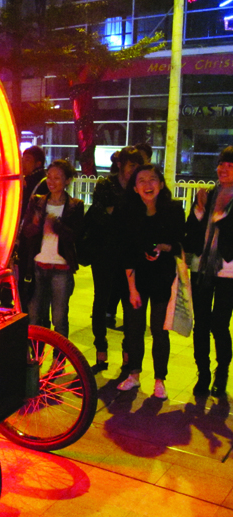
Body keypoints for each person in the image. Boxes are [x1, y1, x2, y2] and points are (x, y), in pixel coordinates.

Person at [117, 164, 185, 400]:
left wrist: (163, 247)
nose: (148, 185)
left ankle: (160, 380)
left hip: (162, 280)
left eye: (153, 179)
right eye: (142, 181)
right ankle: (134, 374)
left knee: (159, 330)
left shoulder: (173, 210)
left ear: (161, 184)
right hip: (136, 280)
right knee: (134, 328)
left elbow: (180, 244)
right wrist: (132, 289)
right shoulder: (129, 213)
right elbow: (126, 252)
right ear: (135, 188)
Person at [85, 147, 143, 373]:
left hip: (129, 255)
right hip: (104, 254)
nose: (134, 170)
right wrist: (118, 214)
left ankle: (128, 355)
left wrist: (115, 212)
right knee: (101, 301)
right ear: (120, 165)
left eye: (137, 166)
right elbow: (99, 215)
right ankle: (101, 351)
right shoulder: (105, 184)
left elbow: (137, 219)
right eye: (131, 165)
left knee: (130, 305)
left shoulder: (139, 187)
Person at [184, 146, 233, 398]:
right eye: (221, 164)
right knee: (201, 324)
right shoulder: (208, 194)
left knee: (219, 324)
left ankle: (221, 371)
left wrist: (218, 216)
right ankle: (203, 373)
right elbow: (191, 231)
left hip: (228, 271)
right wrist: (199, 210)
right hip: (201, 268)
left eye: (230, 166)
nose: (223, 169)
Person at [20, 159, 84, 338]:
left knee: (59, 318)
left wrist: (56, 225)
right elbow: (26, 232)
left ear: (67, 180)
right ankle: (36, 352)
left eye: (57, 178)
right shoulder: (37, 202)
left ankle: (60, 353)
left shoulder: (75, 205)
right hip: (37, 267)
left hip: (61, 269)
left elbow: (75, 236)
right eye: (49, 177)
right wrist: (37, 224)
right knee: (34, 316)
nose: (51, 181)